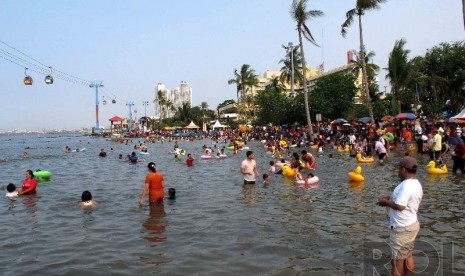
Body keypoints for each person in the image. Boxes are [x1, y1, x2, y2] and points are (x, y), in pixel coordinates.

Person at [377, 156, 423, 276]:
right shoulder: (416, 183)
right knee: (408, 255)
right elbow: (405, 201)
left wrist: (385, 202)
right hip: (411, 224)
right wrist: (391, 198)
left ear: (403, 169)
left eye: (399, 168)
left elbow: (401, 207)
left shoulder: (406, 185)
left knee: (396, 262)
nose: (398, 171)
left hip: (401, 229)